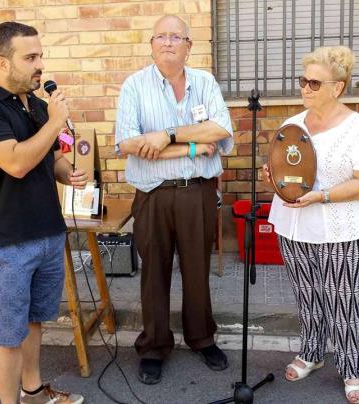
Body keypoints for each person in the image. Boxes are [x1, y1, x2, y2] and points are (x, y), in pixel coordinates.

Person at [0, 22, 86, 404]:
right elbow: (15, 162)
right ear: (2, 62)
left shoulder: (33, 103)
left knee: (34, 322)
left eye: (40, 56)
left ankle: (33, 392)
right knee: (8, 333)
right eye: (30, 58)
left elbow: (48, 157)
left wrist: (69, 172)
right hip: (11, 240)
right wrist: (53, 123)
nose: (40, 65)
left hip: (48, 232)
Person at [115, 15, 234, 385]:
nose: (168, 42)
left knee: (197, 269)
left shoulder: (204, 82)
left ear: (188, 46)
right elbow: (129, 144)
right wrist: (194, 146)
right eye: (161, 36)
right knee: (154, 274)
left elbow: (221, 129)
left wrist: (166, 135)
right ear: (152, 44)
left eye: (176, 37)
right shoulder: (134, 86)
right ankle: (153, 346)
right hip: (153, 194)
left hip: (197, 192)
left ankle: (201, 338)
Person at [264, 46, 359, 404]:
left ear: (339, 87)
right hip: (295, 224)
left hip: (344, 227)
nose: (306, 88)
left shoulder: (358, 130)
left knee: (343, 300)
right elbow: (287, 169)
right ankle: (313, 352)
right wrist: (272, 176)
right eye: (303, 81)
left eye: (315, 82)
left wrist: (322, 196)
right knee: (307, 295)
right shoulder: (295, 125)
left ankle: (352, 369)